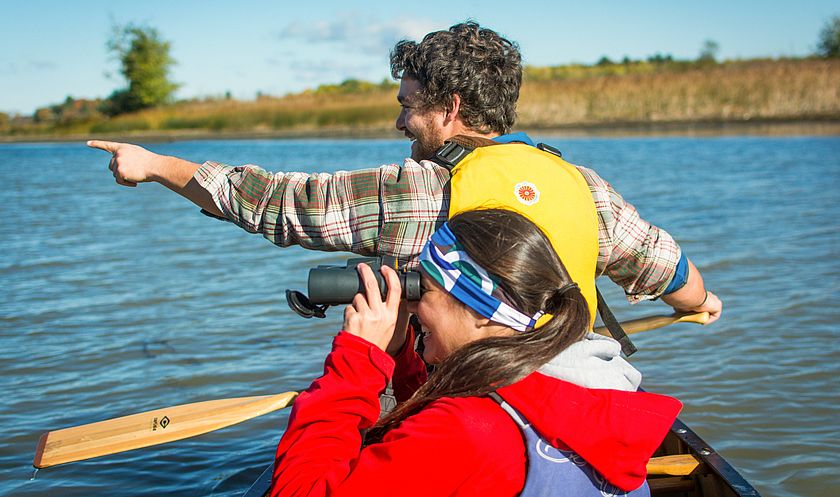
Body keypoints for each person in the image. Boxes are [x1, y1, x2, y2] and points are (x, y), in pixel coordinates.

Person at [87, 21, 721, 322]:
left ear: (448, 109)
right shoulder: (585, 188)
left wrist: (153, 164)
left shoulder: (409, 192)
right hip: (570, 386)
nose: (399, 125)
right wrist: (703, 303)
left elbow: (268, 201)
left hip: (463, 402)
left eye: (407, 108)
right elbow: (678, 277)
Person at [269, 209, 682, 497]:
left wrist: (355, 363)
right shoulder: (590, 385)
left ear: (484, 312)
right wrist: (400, 357)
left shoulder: (467, 432)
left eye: (423, 290)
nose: (411, 306)